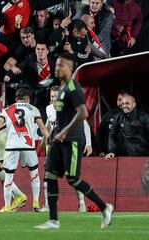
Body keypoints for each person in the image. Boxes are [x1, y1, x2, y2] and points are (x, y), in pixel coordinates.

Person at [34, 53, 113, 230]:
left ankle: (104, 207)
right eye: (57, 65)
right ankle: (53, 220)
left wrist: (64, 132)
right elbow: (63, 118)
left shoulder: (73, 88)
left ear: (69, 69)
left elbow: (83, 113)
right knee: (50, 175)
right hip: (59, 140)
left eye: (61, 65)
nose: (57, 68)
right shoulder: (61, 89)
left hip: (72, 140)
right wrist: (52, 134)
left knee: (73, 179)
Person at [0, 88, 49, 212]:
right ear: (28, 99)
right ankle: (36, 203)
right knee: (34, 173)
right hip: (28, 146)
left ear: (16, 99)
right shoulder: (33, 109)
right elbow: (42, 128)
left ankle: (6, 206)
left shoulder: (7, 110)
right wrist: (50, 140)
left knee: (9, 176)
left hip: (12, 146)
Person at [40, 85, 93, 213]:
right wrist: (43, 140)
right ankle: (47, 205)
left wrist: (88, 144)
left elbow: (84, 123)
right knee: (48, 176)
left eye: (56, 96)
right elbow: (49, 124)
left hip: (69, 144)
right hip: (54, 146)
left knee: (73, 177)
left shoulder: (69, 108)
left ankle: (82, 205)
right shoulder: (49, 108)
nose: (53, 99)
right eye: (52, 96)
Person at [96, 90, 129, 156]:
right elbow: (100, 133)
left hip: (129, 155)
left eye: (124, 100)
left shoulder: (136, 116)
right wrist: (100, 150)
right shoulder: (109, 115)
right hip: (109, 154)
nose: (121, 102)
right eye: (119, 100)